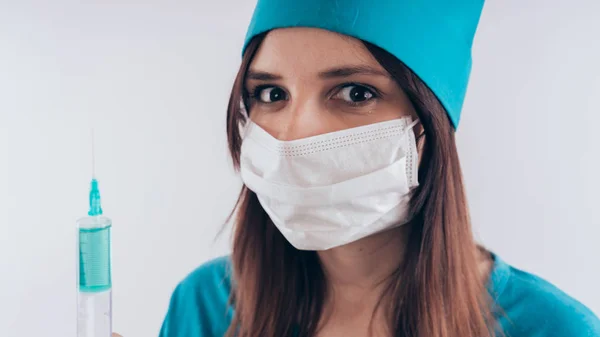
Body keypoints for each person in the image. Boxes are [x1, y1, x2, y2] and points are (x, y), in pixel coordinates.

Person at [124, 1, 600, 336]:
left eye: (355, 92)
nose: (292, 133)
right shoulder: (205, 308)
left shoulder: (551, 329)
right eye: (271, 94)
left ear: (427, 124)